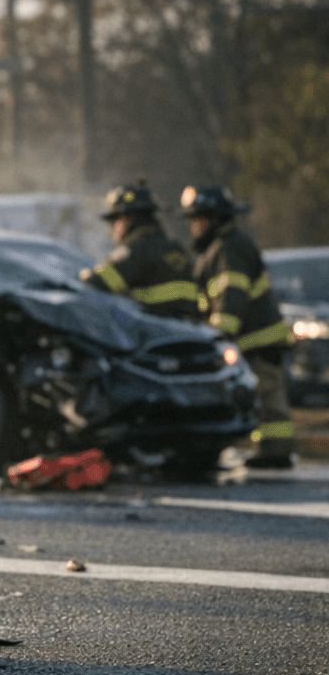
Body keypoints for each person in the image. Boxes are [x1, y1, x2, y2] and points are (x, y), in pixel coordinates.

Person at [181, 185, 295, 469]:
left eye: (200, 219)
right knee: (262, 395)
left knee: (268, 395)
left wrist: (217, 336)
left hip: (257, 340)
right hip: (254, 340)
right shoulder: (223, 246)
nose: (194, 226)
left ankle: (276, 451)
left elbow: (232, 295)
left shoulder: (228, 248)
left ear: (215, 219)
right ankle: (271, 449)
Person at [78, 180, 197, 319]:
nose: (111, 228)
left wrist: (81, 277)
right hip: (188, 332)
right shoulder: (175, 248)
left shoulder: (136, 249)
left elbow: (100, 282)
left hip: (155, 330)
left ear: (128, 219)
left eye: (114, 220)